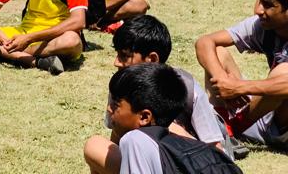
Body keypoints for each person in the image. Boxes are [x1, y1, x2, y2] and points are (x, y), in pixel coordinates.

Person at [84, 15, 228, 174]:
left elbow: (215, 148)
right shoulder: (122, 84)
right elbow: (117, 136)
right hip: (141, 159)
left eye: (124, 55)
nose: (116, 62)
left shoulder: (187, 87)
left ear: (151, 59)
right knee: (95, 145)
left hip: (183, 165)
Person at [196, 0, 288, 151]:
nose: (258, 10)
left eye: (268, 5)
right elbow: (204, 42)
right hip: (261, 117)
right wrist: (223, 82)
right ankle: (225, 129)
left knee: (283, 73)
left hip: (283, 129)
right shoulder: (261, 25)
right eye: (259, 0)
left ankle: (225, 128)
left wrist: (238, 87)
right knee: (218, 52)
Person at [83, 63, 190, 174]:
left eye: (116, 104)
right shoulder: (176, 134)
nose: (109, 109)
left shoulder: (134, 142)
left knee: (94, 146)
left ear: (144, 117)